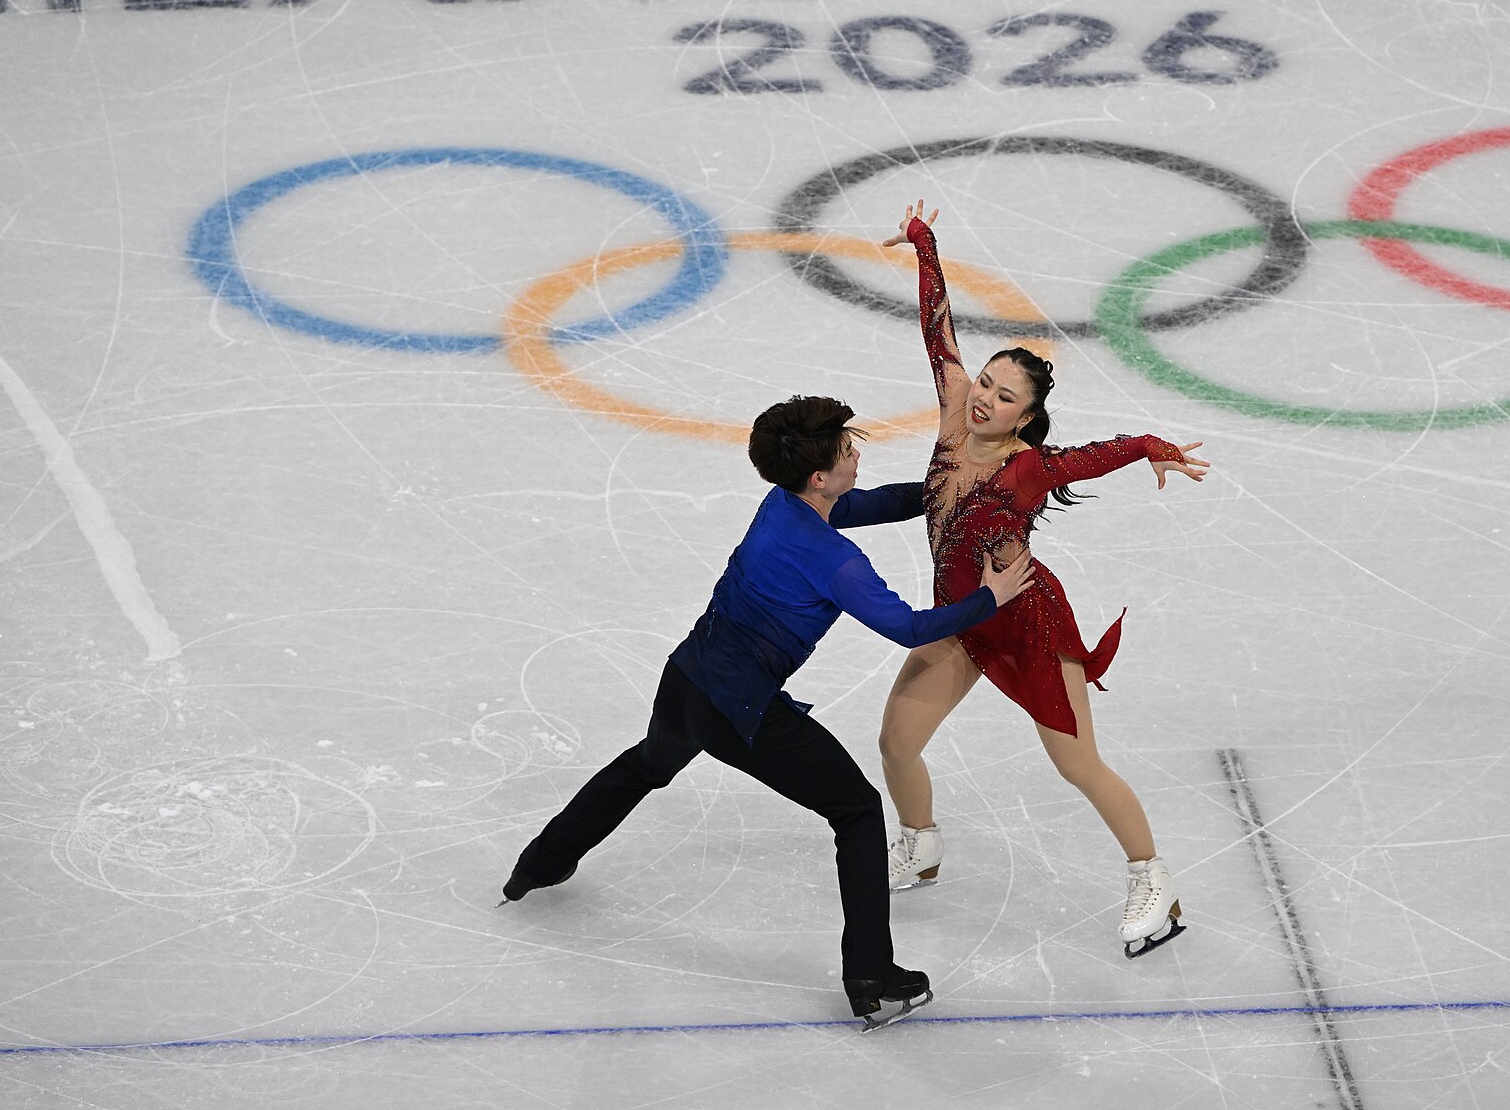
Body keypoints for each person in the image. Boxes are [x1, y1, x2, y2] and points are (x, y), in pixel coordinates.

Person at [500, 394, 1033, 1027]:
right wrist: (990, 597)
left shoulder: (782, 503)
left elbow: (866, 504)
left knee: (647, 763)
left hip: (689, 675)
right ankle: (871, 976)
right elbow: (908, 627)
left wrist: (946, 489)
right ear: (819, 475)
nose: (856, 453)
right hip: (740, 709)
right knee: (858, 811)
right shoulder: (837, 562)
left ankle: (539, 864)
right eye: (846, 450)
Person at [876, 202, 1210, 958]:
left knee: (1074, 762)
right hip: (962, 619)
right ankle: (920, 844)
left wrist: (1156, 446)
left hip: (1027, 624)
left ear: (1026, 419)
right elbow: (938, 330)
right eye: (985, 383)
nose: (984, 397)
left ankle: (1153, 880)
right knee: (897, 741)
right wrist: (926, 247)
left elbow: (1108, 450)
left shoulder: (1028, 470)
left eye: (1003, 396)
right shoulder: (954, 417)